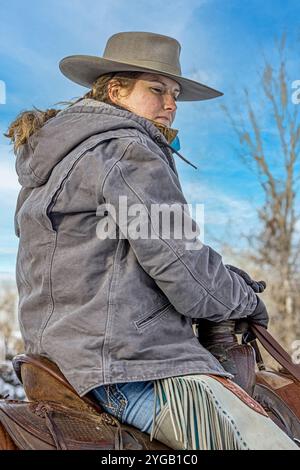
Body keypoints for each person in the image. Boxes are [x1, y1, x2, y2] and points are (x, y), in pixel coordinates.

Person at [5, 31, 298, 450]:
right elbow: (189, 276)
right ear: (115, 90)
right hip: (135, 365)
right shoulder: (127, 149)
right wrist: (247, 299)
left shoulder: (59, 158)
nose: (171, 104)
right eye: (156, 89)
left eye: (175, 93)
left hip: (62, 358)